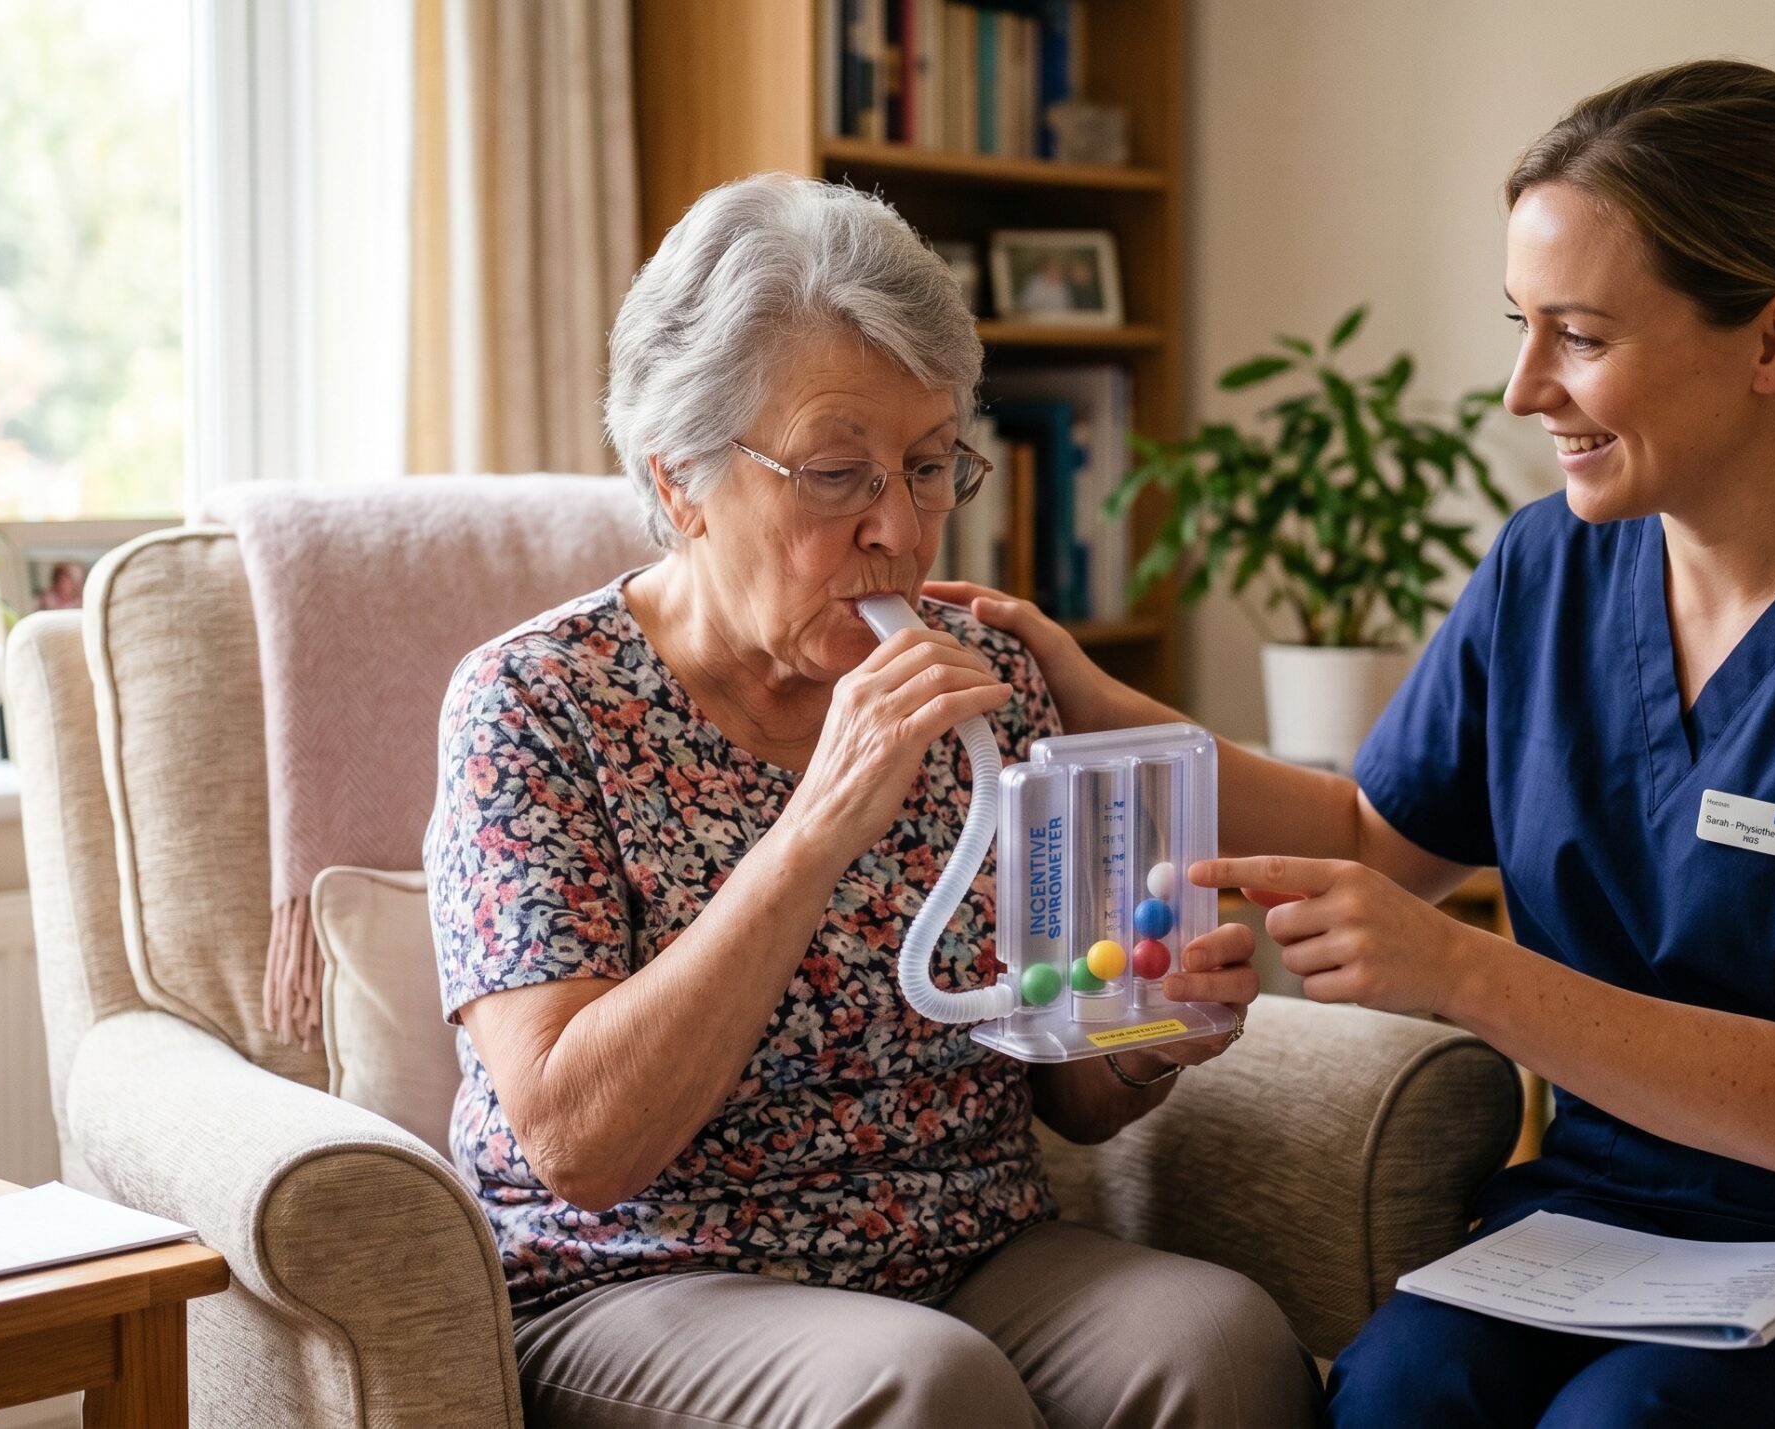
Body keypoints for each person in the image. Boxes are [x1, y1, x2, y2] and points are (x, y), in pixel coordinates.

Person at [940, 60, 1775, 1427]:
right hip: (1619, 1221)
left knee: (1625, 1424)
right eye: (1520, 327)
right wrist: (1082, 693)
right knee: (1398, 1395)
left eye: (1580, 337)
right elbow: (1374, 836)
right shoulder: (1549, 568)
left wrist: (1458, 970)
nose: (1523, 388)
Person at [424, 173, 1317, 1429]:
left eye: (932, 464)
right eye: (838, 475)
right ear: (679, 480)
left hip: (968, 1246)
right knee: (922, 1385)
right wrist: (817, 824)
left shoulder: (990, 679)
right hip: (647, 1273)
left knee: (1219, 1342)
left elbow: (1065, 1086)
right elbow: (579, 1144)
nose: (899, 529)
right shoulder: (534, 705)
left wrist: (1143, 1038)